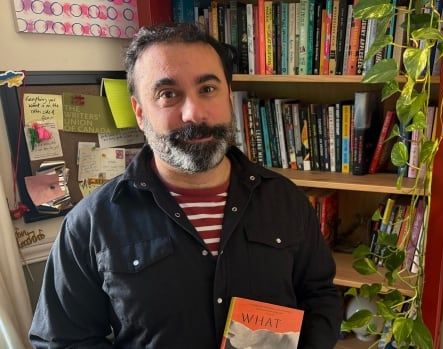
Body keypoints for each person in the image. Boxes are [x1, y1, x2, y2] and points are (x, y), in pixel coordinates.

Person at [30, 23, 342, 348]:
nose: (194, 113)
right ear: (139, 112)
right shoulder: (90, 224)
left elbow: (320, 296)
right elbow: (62, 340)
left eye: (207, 89)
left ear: (228, 96)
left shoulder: (285, 200)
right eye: (168, 94)